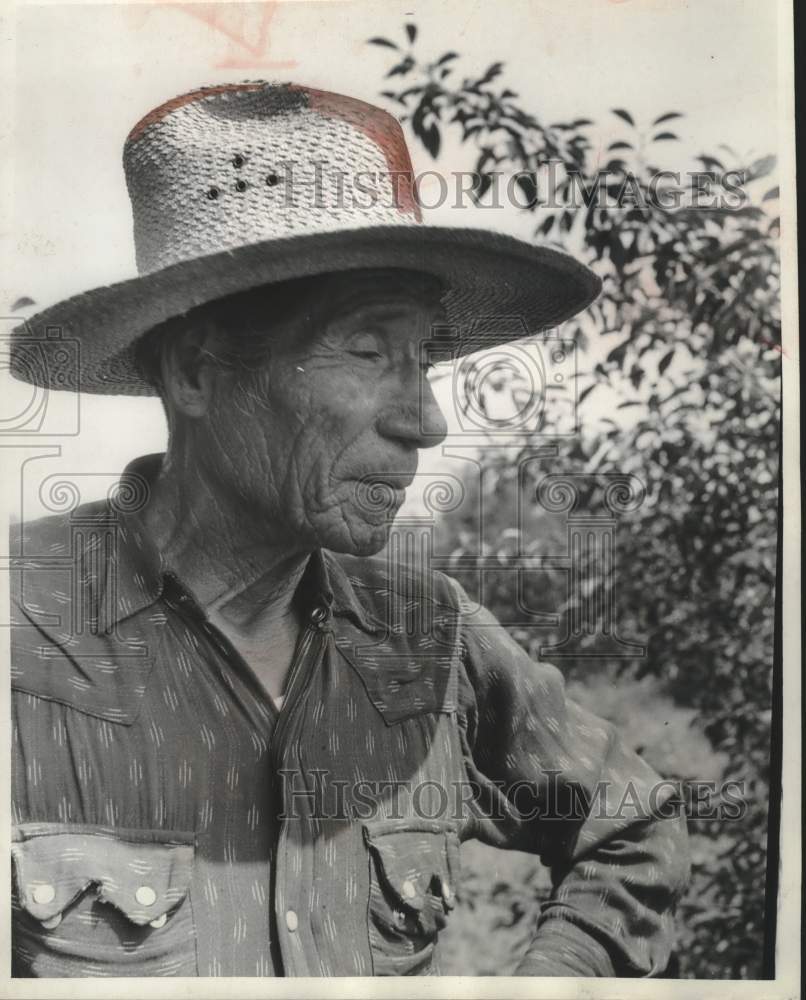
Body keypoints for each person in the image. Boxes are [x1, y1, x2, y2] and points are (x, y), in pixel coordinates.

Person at [9, 81, 689, 978]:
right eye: (368, 351)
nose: (426, 421)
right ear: (197, 373)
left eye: (423, 357)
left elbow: (633, 826)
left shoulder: (432, 641)